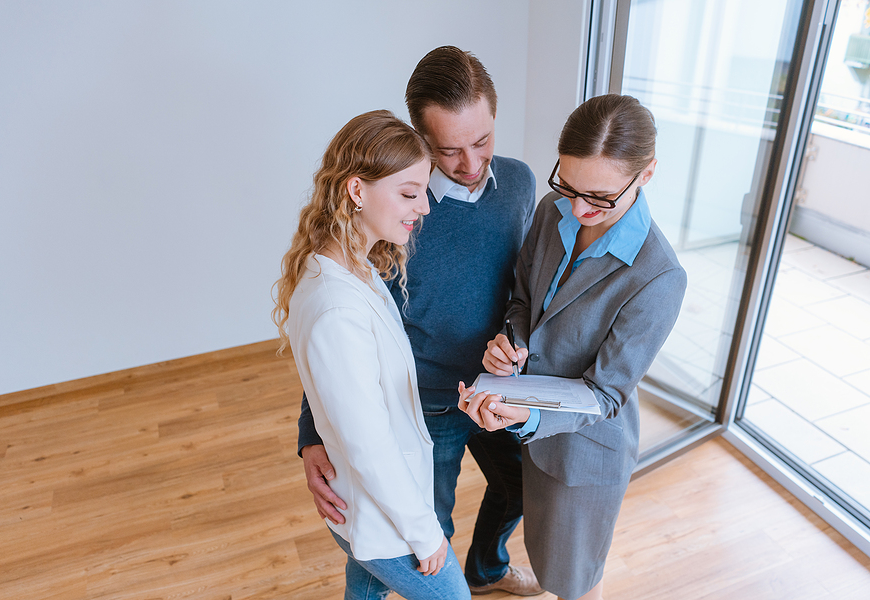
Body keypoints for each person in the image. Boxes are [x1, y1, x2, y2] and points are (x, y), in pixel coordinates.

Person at [297, 47, 541, 596]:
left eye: (482, 141)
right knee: (425, 540)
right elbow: (337, 348)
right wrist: (312, 435)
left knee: (523, 488)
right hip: (423, 408)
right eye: (449, 150)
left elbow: (520, 289)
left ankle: (487, 569)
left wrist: (515, 339)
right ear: (421, 139)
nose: (471, 164)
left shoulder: (519, 185)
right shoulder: (393, 211)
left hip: (495, 391)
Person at [459, 94, 687, 600]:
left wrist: (527, 415)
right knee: (545, 558)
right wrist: (512, 343)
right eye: (568, 184)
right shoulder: (552, 210)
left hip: (582, 456)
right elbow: (523, 298)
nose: (579, 209)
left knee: (574, 581)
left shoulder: (659, 277)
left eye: (600, 198)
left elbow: (605, 395)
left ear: (647, 174)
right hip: (528, 431)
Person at [273, 109, 470, 600]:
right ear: (357, 191)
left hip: (374, 505)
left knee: (365, 592)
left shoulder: (350, 268)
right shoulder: (337, 308)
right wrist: (425, 533)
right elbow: (369, 444)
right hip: (382, 518)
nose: (424, 208)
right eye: (409, 193)